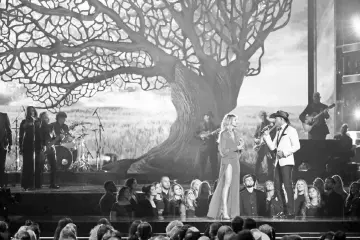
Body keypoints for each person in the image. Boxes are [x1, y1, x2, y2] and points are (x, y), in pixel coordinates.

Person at [262, 110, 301, 218]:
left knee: (287, 186)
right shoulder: (279, 131)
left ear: (281, 119)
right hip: (278, 162)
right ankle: (283, 210)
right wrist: (266, 136)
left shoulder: (291, 130)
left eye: (276, 119)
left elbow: (297, 146)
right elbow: (273, 147)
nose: (274, 121)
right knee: (277, 187)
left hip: (287, 161)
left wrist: (285, 152)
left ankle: (291, 211)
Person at [207, 113, 244, 219]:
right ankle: (224, 210)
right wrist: (236, 147)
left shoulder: (236, 133)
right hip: (227, 161)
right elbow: (223, 151)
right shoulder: (223, 134)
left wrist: (240, 148)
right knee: (226, 184)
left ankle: (233, 211)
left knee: (234, 185)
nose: (237, 122)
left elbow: (238, 150)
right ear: (230, 121)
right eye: (235, 120)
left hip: (235, 160)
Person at [19, 106, 41, 191]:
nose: (32, 112)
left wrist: (42, 145)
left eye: (33, 110)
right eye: (30, 111)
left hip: (37, 145)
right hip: (27, 145)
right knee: (27, 165)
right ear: (28, 113)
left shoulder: (38, 121)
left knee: (36, 164)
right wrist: (20, 146)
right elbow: (21, 135)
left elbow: (40, 133)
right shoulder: (24, 122)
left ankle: (36, 184)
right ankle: (26, 184)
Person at [195, 111, 219, 181]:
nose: (208, 117)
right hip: (203, 147)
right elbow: (195, 134)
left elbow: (216, 135)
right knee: (202, 164)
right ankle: (201, 180)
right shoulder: (200, 125)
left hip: (213, 147)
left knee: (214, 164)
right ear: (204, 116)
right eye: (206, 115)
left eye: (209, 116)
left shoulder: (213, 125)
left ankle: (215, 180)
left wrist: (215, 134)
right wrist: (201, 136)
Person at [254, 111, 276, 179]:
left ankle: (270, 176)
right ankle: (256, 175)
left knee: (270, 161)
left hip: (268, 147)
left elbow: (273, 136)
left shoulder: (271, 125)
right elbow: (256, 135)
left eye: (264, 115)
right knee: (258, 161)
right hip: (261, 147)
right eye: (261, 116)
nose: (262, 117)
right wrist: (256, 140)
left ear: (266, 116)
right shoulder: (259, 125)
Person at [0, 112, 12, 188]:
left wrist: (10, 144)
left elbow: (9, 130)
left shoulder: (4, 116)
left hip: (2, 144)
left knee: (1, 165)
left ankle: (1, 184)